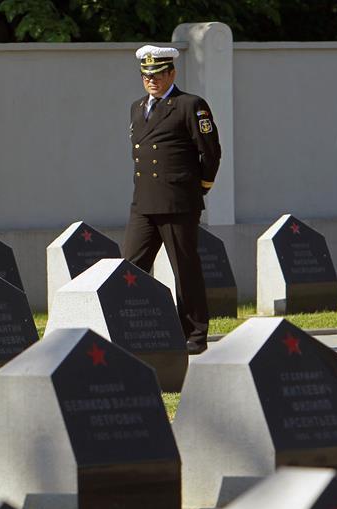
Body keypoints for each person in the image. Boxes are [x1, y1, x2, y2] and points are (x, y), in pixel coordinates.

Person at [124, 45, 221, 354]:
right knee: (131, 267)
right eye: (146, 75)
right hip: (144, 203)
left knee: (185, 268)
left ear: (172, 73)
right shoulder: (137, 107)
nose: (152, 81)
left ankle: (194, 334)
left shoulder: (189, 105)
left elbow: (210, 151)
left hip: (178, 201)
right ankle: (133, 328)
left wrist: (200, 187)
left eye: (158, 74)